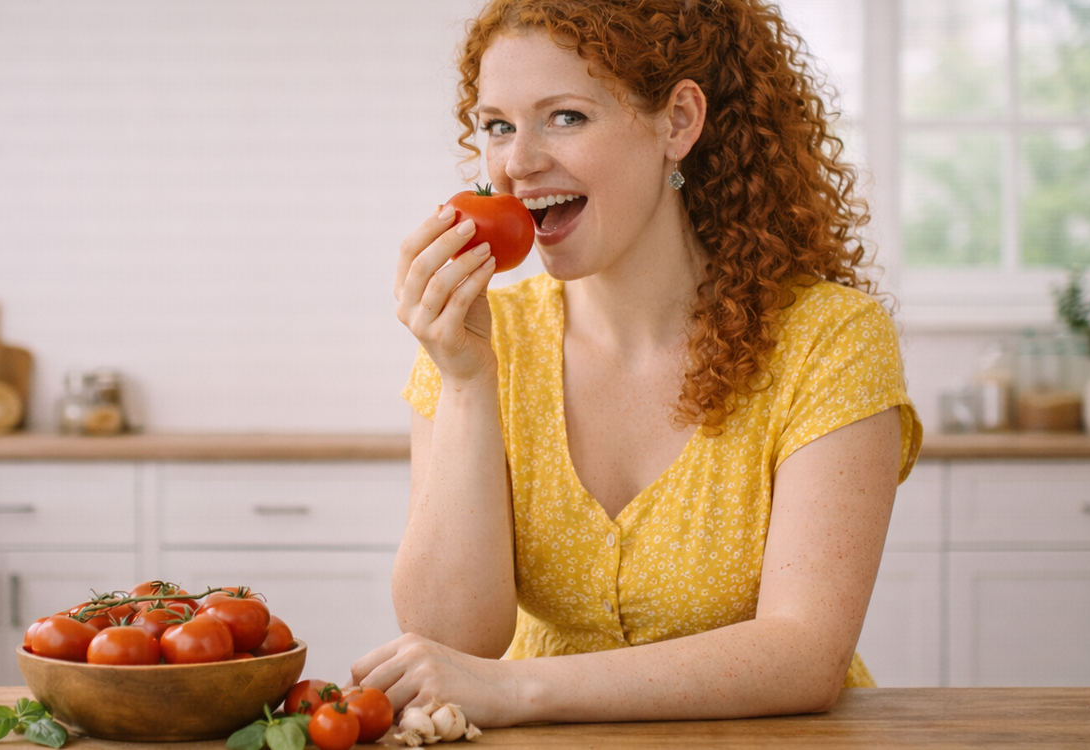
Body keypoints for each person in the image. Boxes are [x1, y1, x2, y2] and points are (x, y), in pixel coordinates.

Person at [351, 0, 923, 726]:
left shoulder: (830, 339)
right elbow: (452, 639)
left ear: (678, 122)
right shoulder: (483, 337)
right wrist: (466, 382)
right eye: (498, 125)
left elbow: (805, 653)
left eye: (565, 117)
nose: (517, 164)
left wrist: (521, 690)